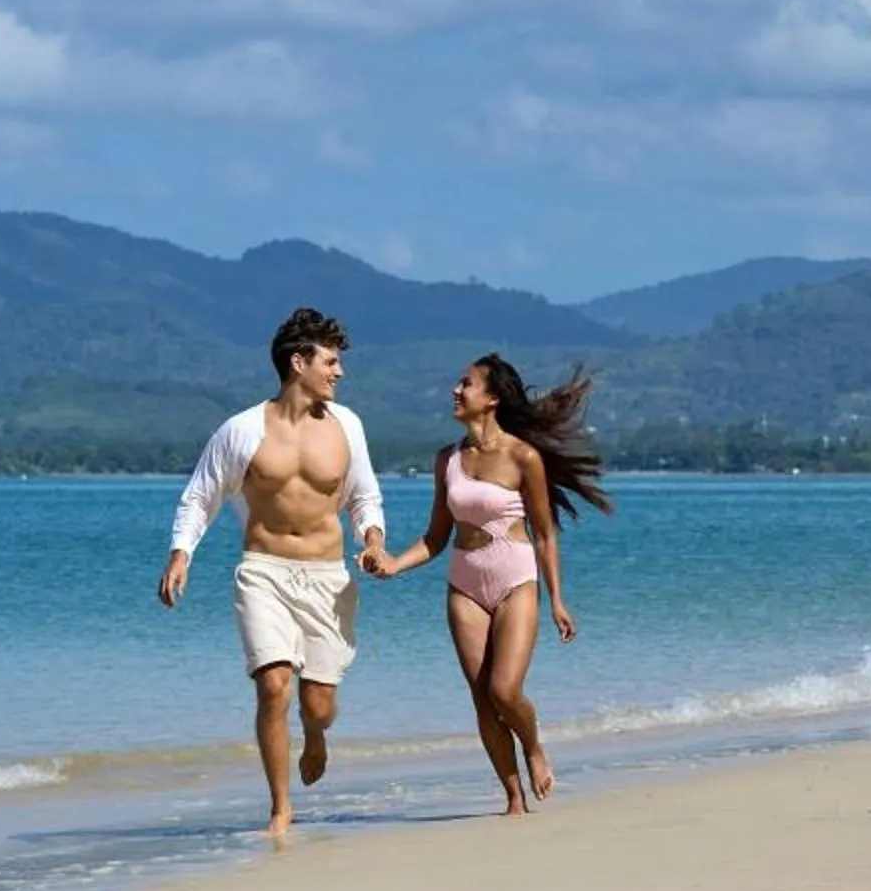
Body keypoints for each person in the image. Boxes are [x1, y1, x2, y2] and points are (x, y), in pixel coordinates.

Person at [159, 308, 387, 836]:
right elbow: (200, 496)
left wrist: (373, 540)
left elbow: (364, 497)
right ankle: (280, 809)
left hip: (327, 576)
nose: (339, 372)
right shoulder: (242, 430)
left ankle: (316, 733)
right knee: (273, 685)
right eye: (330, 362)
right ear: (298, 362)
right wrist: (181, 553)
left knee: (319, 705)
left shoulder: (347, 426)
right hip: (264, 571)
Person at [363, 356, 610, 814]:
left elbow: (545, 534)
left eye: (467, 384)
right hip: (465, 584)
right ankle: (514, 799)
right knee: (482, 699)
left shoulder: (523, 457)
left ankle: (533, 746)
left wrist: (557, 599)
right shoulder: (448, 460)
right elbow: (436, 537)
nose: (456, 390)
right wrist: (395, 564)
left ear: (492, 397)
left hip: (516, 579)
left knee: (504, 691)